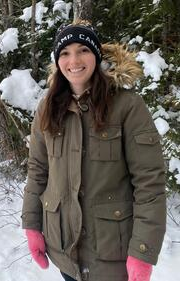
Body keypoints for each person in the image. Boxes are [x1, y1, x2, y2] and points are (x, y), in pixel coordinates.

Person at [21, 19, 166, 281]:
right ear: (57, 61)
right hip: (65, 250)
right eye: (65, 53)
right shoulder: (47, 108)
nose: (73, 60)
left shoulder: (127, 107)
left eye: (83, 50)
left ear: (96, 56)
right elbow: (38, 171)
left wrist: (142, 252)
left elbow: (149, 182)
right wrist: (31, 225)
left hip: (111, 256)